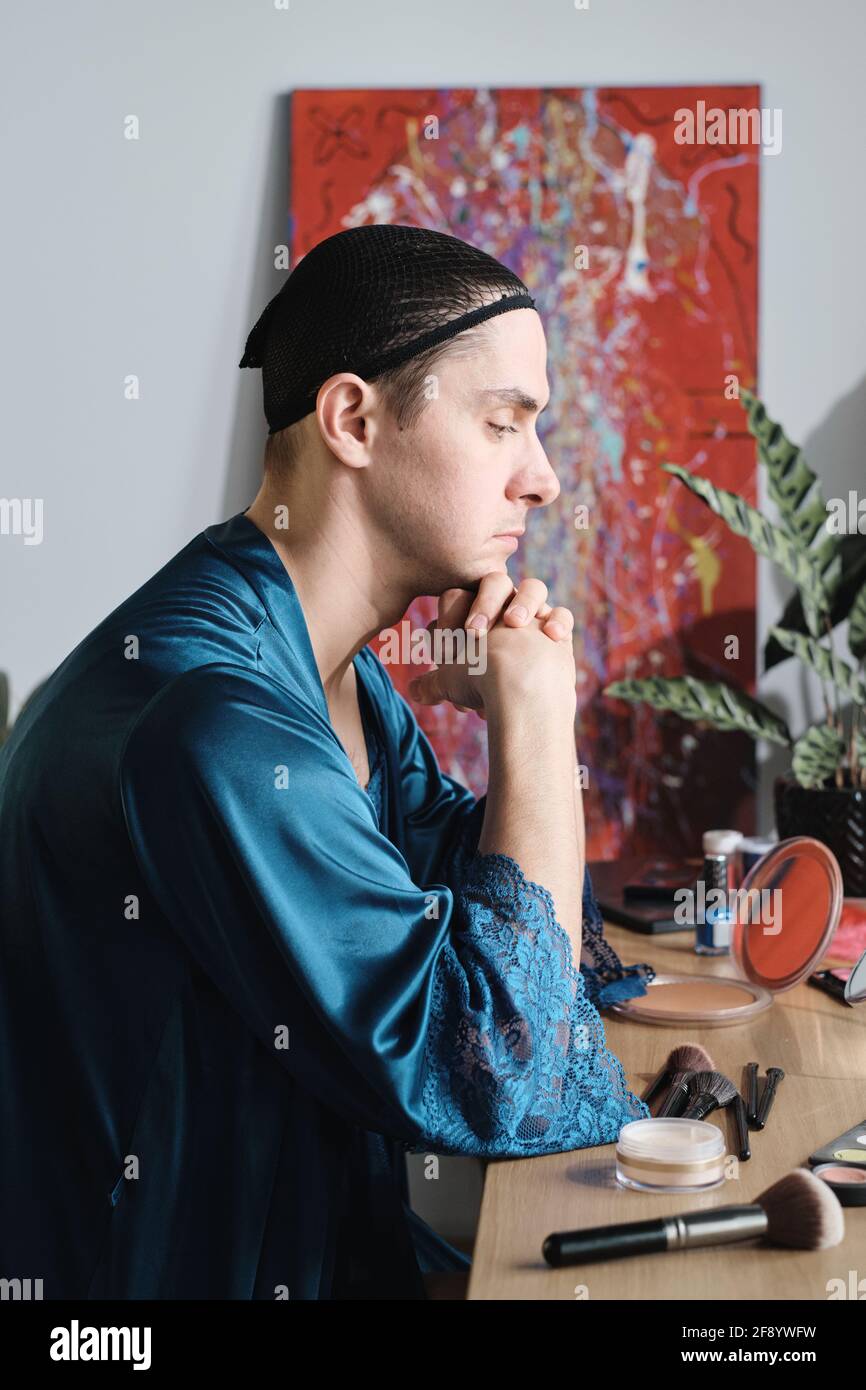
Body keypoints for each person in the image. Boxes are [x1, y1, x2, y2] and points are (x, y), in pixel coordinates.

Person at [0, 224, 652, 1301]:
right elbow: (505, 1067)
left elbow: (484, 919)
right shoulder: (217, 719)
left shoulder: (322, 667)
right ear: (352, 419)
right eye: (503, 425)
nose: (539, 479)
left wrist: (522, 719)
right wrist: (535, 713)